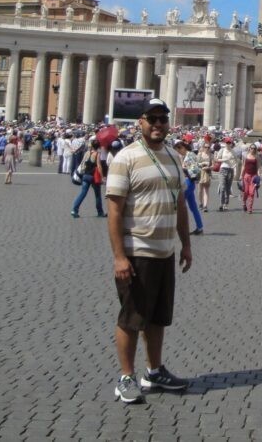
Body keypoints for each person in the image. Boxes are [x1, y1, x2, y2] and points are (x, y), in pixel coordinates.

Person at [105, 98, 191, 404]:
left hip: (165, 251)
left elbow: (179, 203)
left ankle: (154, 371)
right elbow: (114, 211)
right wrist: (119, 257)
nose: (157, 124)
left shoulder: (173, 156)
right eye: (151, 119)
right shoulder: (125, 157)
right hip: (137, 251)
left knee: (157, 318)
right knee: (132, 318)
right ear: (140, 122)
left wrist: (186, 244)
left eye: (162, 119)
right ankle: (126, 377)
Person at [171, 135, 204, 235]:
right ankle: (199, 227)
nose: (178, 153)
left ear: (182, 147)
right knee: (193, 207)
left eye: (178, 150)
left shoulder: (189, 155)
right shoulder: (190, 154)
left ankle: (178, 228)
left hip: (188, 182)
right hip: (190, 182)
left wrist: (182, 169)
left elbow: (193, 169)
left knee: (178, 205)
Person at [71, 139, 106, 218]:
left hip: (85, 176)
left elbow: (83, 163)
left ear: (92, 145)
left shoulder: (87, 153)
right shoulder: (97, 154)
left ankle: (74, 210)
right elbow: (99, 166)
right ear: (99, 146)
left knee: (82, 193)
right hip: (93, 177)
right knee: (97, 195)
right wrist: (102, 177)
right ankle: (100, 212)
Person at [215, 139, 236, 212]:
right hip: (223, 169)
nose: (228, 144)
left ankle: (226, 204)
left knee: (228, 188)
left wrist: (234, 166)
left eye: (229, 142)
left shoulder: (233, 151)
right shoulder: (222, 150)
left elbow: (237, 160)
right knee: (222, 187)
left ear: (231, 143)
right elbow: (217, 159)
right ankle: (221, 203)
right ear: (225, 143)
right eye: (227, 142)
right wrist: (224, 160)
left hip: (230, 170)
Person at [241, 144, 259, 214]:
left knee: (251, 192)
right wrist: (241, 175)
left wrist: (258, 176)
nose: (253, 150)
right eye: (252, 148)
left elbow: (258, 167)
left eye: (254, 148)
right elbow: (243, 166)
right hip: (246, 175)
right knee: (245, 192)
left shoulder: (257, 157)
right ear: (249, 148)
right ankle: (244, 203)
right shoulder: (245, 156)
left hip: (254, 176)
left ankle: (250, 208)